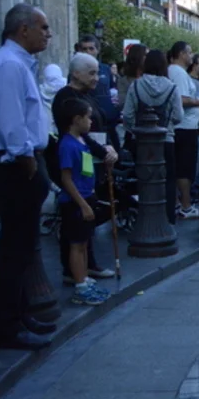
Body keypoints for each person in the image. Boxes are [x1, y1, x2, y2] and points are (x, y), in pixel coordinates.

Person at [0, 4, 56, 350]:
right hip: (14, 164)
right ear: (23, 29)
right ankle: (6, 326)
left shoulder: (16, 63)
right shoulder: (8, 65)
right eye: (43, 27)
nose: (48, 34)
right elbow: (11, 121)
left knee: (22, 248)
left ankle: (20, 314)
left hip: (19, 162)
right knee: (14, 249)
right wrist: (26, 159)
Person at [51, 53, 120, 283]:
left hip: (92, 160)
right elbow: (80, 134)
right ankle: (75, 271)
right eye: (91, 73)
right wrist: (103, 151)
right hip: (79, 161)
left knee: (87, 219)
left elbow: (100, 124)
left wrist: (109, 147)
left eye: (97, 73)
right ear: (76, 73)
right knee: (77, 220)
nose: (96, 78)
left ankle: (87, 265)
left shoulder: (88, 95)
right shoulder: (66, 97)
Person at [56, 98, 111, 306]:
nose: (90, 121)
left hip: (87, 195)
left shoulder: (82, 141)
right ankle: (79, 285)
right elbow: (66, 179)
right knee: (76, 244)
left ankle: (85, 279)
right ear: (76, 119)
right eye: (87, 117)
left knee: (84, 242)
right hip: (76, 201)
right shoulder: (67, 145)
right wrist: (83, 204)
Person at [122, 49, 184, 223]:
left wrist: (136, 130)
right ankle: (167, 218)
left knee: (144, 178)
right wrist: (168, 126)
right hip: (166, 139)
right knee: (168, 180)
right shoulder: (172, 87)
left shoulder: (136, 85)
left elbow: (127, 115)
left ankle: (144, 218)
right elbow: (179, 116)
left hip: (141, 142)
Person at [168, 41, 199, 220]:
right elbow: (182, 99)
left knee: (181, 168)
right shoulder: (179, 73)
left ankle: (178, 203)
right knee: (185, 169)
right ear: (181, 54)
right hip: (184, 127)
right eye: (189, 52)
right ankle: (186, 206)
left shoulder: (175, 72)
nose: (191, 56)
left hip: (184, 126)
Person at [75, 34, 118, 129]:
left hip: (109, 119)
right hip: (89, 121)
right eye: (84, 49)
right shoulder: (75, 72)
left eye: (91, 48)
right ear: (80, 51)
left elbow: (112, 91)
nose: (88, 52)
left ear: (97, 50)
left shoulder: (106, 69)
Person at [39, 64, 66, 136]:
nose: (54, 84)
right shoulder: (65, 86)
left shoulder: (41, 89)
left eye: (55, 79)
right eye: (51, 79)